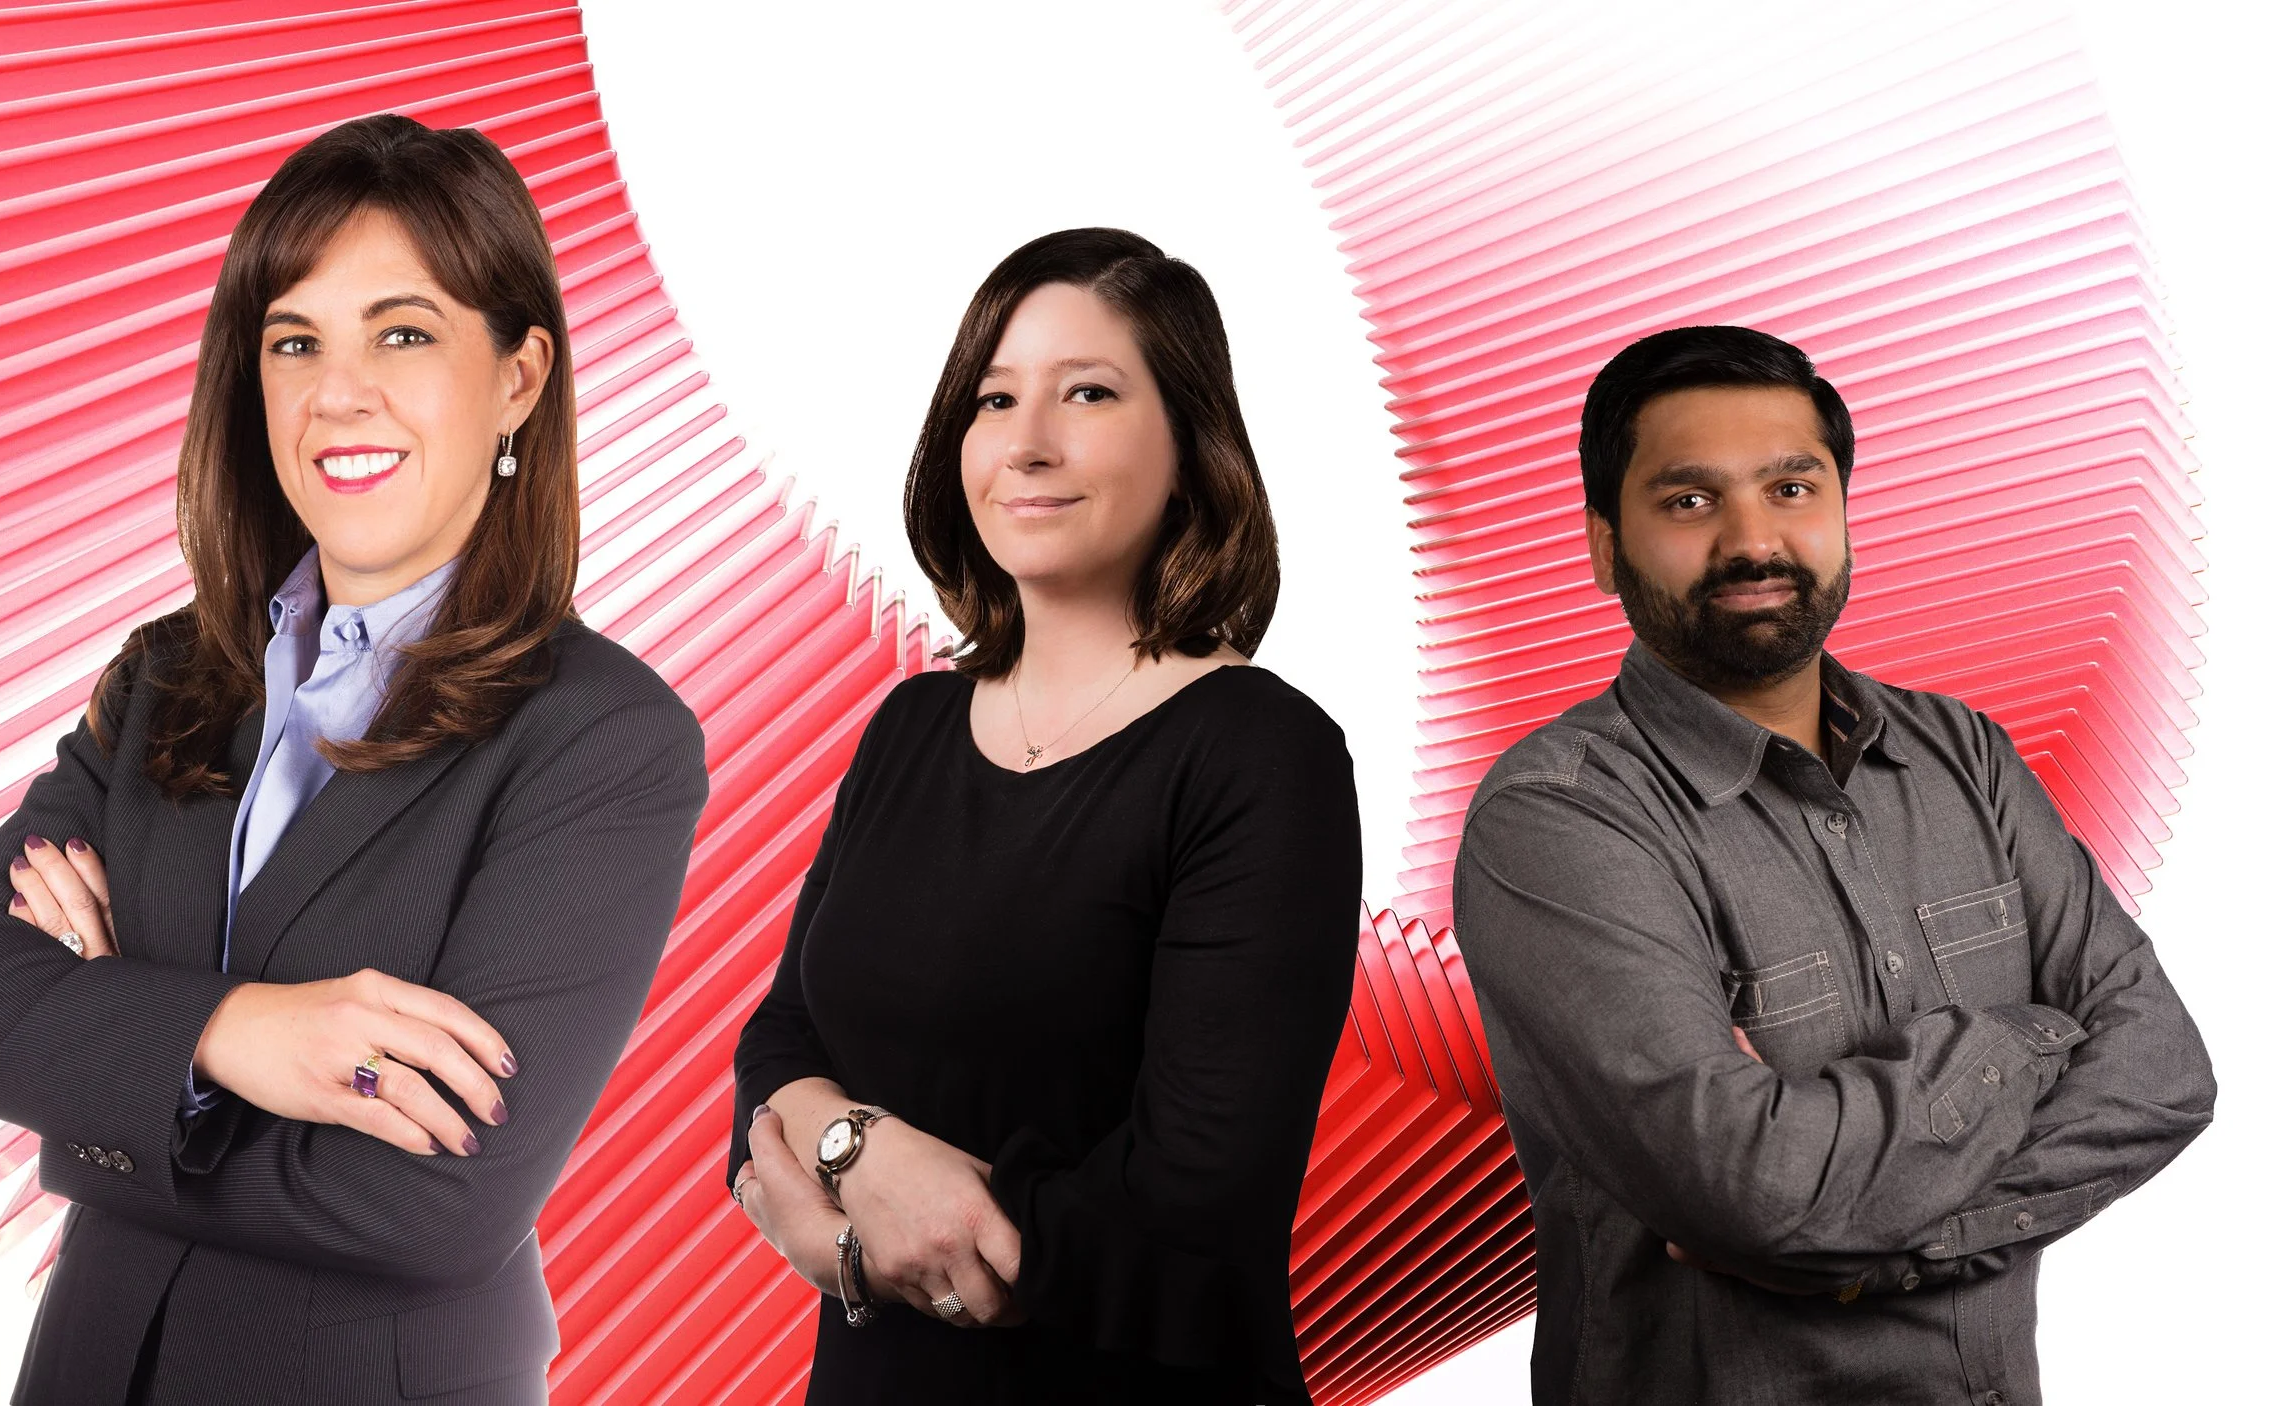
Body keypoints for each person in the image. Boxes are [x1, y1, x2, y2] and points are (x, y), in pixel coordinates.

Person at [0, 114, 707, 1406]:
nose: (339, 392)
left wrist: (106, 1054)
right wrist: (231, 1033)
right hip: (93, 1361)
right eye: (294, 341)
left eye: (403, 331)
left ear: (518, 375)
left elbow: (434, 1196)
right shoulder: (170, 670)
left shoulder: (602, 739)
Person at [1451, 324, 2216, 1405]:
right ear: (1601, 544)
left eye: (1792, 487)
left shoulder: (1963, 756)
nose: (1751, 539)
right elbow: (1750, 1188)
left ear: (1842, 511)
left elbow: (2163, 1072)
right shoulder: (1559, 818)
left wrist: (1901, 1249)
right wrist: (2029, 1037)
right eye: (1687, 500)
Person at [723, 228, 1361, 1404]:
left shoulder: (1262, 753)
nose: (1027, 443)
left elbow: (1196, 1196)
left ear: (1191, 442)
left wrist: (853, 1238)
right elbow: (777, 1041)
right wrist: (855, 1146)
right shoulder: (910, 724)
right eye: (994, 398)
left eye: (1089, 393)